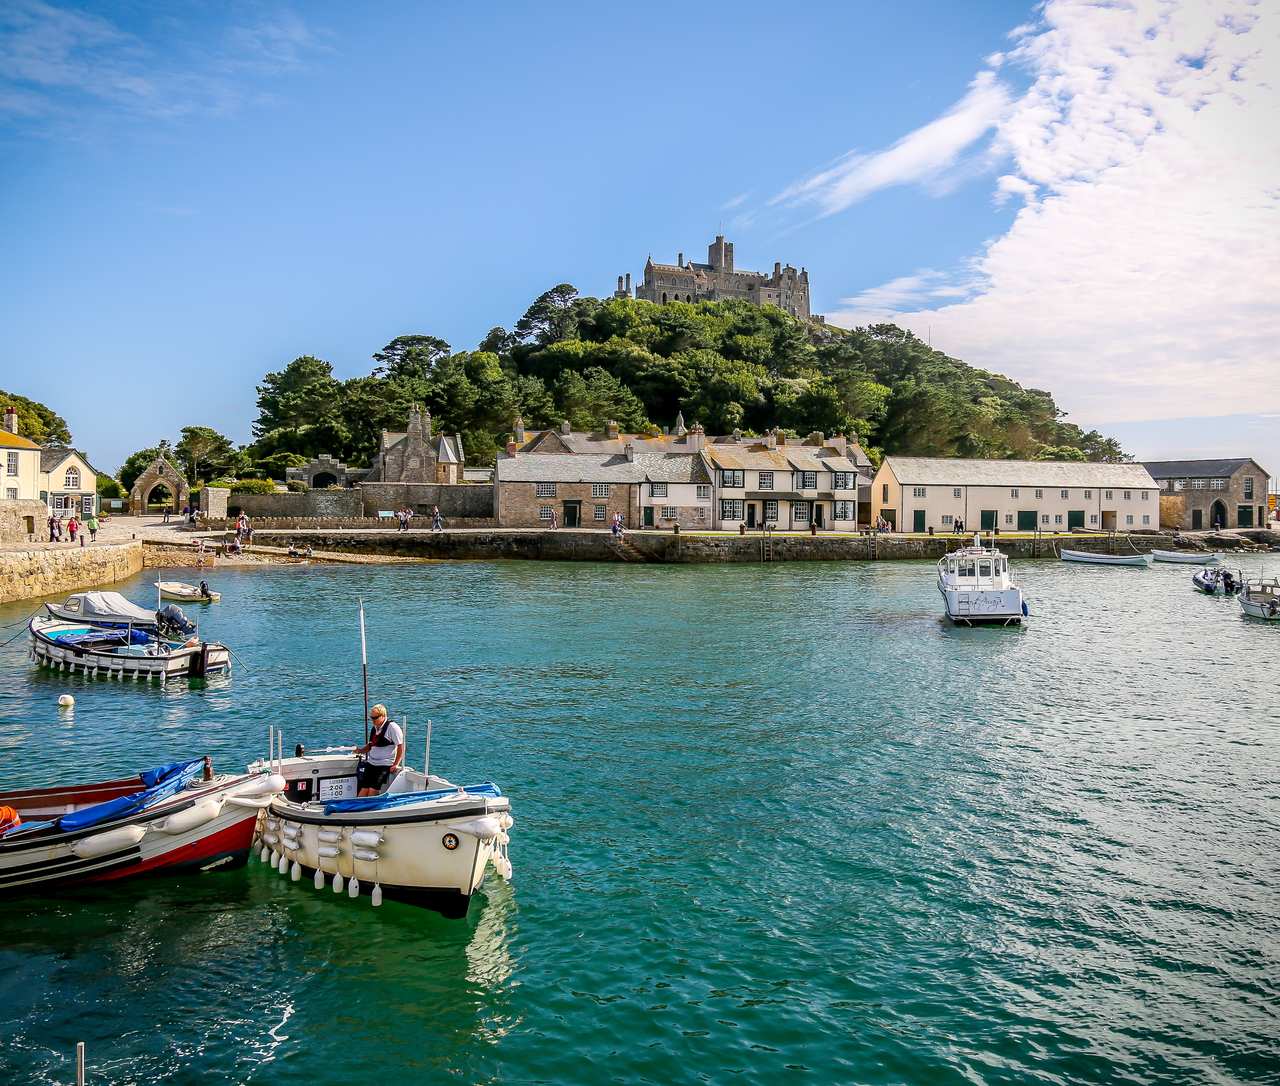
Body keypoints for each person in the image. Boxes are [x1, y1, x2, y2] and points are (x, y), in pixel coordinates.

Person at [355, 704, 404, 796]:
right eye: (371, 718)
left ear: (383, 716)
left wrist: (396, 764)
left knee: (372, 790)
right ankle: (358, 808)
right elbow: (370, 745)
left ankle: (370, 809)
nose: (373, 720)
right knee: (363, 790)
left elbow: (401, 747)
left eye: (375, 718)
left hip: (384, 764)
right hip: (371, 763)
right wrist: (360, 751)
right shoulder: (375, 728)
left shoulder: (392, 727)